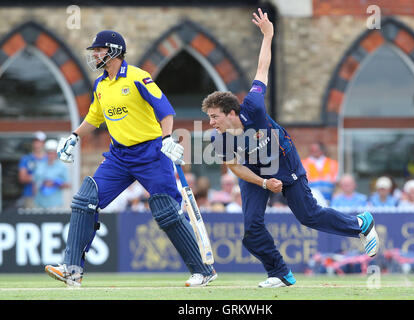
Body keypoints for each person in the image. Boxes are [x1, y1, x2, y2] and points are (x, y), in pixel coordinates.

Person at [202, 9, 379, 288]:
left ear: (231, 112)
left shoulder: (253, 106)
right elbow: (236, 167)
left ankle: (361, 224)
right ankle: (280, 273)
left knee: (309, 216)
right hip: (255, 174)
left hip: (284, 162)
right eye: (209, 118)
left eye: (214, 116)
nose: (211, 123)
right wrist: (263, 181)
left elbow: (262, 68)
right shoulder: (220, 139)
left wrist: (269, 34)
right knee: (251, 230)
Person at [44, 30, 216, 287]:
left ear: (113, 51)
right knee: (85, 200)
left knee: (167, 210)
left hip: (151, 154)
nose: (95, 55)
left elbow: (166, 111)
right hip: (119, 156)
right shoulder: (100, 85)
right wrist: (74, 136)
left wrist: (167, 138)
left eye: (99, 50)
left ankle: (203, 270)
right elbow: (94, 117)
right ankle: (72, 269)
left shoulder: (138, 77)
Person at [33, 139, 70, 209]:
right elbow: (34, 183)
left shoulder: (62, 167)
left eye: (53, 153)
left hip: (56, 204)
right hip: (40, 204)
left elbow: (68, 185)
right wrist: (43, 183)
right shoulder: (39, 165)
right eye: (49, 153)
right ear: (46, 153)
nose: (51, 155)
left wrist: (55, 183)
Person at [17, 131, 47, 208]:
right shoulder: (26, 159)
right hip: (30, 196)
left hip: (48, 197)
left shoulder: (49, 159)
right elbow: (22, 178)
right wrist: (39, 178)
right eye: (35, 141)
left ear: (43, 143)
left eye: (39, 142)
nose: (37, 144)